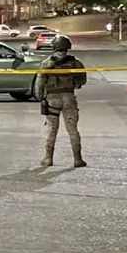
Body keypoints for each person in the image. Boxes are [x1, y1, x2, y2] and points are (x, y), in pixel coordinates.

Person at [33, 35, 87, 168]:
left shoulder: (47, 63)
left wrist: (40, 97)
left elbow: (39, 83)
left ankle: (48, 158)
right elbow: (82, 80)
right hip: (69, 98)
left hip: (52, 99)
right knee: (73, 130)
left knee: (52, 130)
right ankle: (78, 159)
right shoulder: (75, 63)